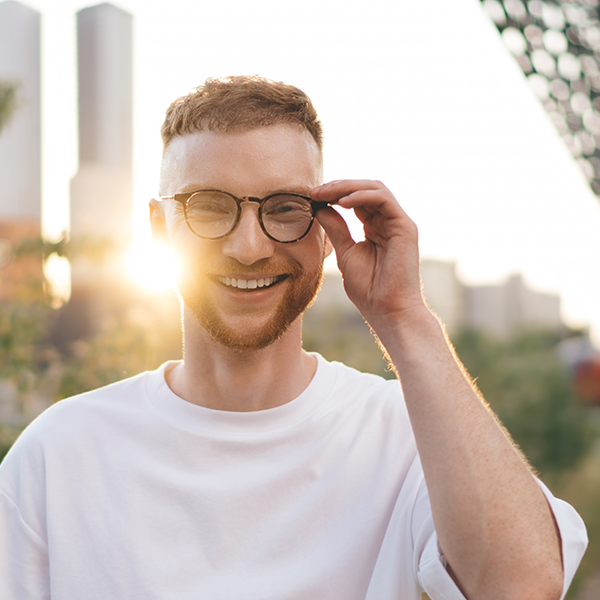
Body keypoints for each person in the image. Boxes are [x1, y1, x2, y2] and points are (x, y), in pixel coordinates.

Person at [0, 76, 587, 600]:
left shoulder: (412, 435)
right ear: (160, 229)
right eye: (208, 208)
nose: (249, 247)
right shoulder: (61, 452)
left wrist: (405, 318)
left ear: (328, 231)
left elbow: (523, 589)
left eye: (283, 208)